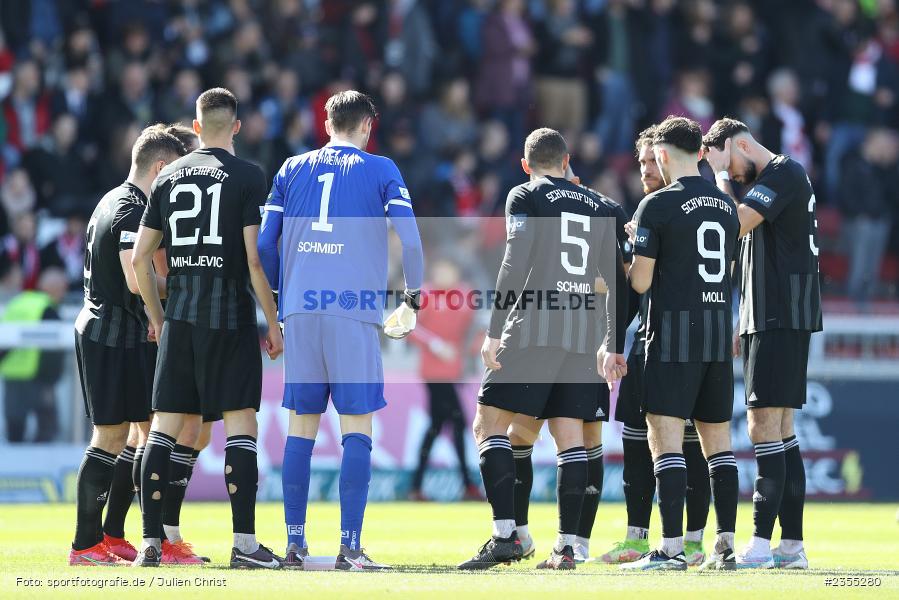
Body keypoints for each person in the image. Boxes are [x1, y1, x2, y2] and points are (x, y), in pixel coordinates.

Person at [258, 90, 424, 570]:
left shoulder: (291, 168)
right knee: (357, 427)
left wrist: (282, 297)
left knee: (301, 429)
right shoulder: (381, 169)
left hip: (301, 310)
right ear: (368, 126)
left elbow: (267, 243)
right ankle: (349, 548)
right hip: (353, 311)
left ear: (326, 122)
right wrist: (413, 297)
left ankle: (294, 544)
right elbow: (409, 238)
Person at [458, 128, 627, 571]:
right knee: (563, 438)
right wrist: (612, 341)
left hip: (533, 328)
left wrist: (494, 330)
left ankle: (506, 534)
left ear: (525, 164)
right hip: (584, 338)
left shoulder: (526, 195)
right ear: (568, 161)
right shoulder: (604, 206)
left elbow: (514, 263)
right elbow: (619, 280)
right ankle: (567, 546)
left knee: (488, 425)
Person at [131, 87, 283, 569]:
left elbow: (139, 259)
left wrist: (160, 320)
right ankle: (244, 545)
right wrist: (273, 323)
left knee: (164, 430)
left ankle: (151, 544)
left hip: (181, 319)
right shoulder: (247, 176)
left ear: (195, 128)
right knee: (241, 427)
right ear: (235, 126)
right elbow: (254, 261)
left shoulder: (168, 177)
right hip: (230, 319)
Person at [621, 116, 740, 571]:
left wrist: (628, 256)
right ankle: (725, 546)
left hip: (671, 338)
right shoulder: (727, 207)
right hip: (715, 337)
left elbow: (641, 281)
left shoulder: (658, 205)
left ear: (664, 155)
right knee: (719, 447)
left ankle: (670, 549)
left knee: (666, 445)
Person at [704, 117, 822, 570]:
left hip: (780, 314)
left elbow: (735, 223)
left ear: (741, 145)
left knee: (762, 426)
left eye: (729, 164)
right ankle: (790, 547)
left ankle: (759, 544)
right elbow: (753, 250)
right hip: (767, 314)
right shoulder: (774, 180)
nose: (731, 176)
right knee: (782, 431)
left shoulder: (784, 174)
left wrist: (717, 178)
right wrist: (742, 316)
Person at [69, 128, 186, 566]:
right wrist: (181, 283)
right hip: (110, 333)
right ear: (159, 169)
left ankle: (113, 533)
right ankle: (84, 544)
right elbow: (135, 279)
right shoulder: (130, 208)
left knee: (140, 430)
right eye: (171, 175)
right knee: (113, 435)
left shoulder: (111, 199)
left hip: (118, 332)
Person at [505, 163, 630, 564]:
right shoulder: (603, 208)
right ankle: (540, 537)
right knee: (522, 435)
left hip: (579, 343)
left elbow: (624, 278)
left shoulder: (596, 208)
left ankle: (573, 543)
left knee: (582, 439)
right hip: (579, 342)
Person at [600, 125, 712, 566]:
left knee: (689, 443)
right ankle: (636, 537)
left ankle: (693, 540)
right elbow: (631, 297)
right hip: (647, 341)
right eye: (642, 162)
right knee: (633, 438)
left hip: (679, 342)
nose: (646, 169)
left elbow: (641, 281)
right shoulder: (647, 214)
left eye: (652, 160)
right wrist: (614, 344)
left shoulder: (670, 211)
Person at [407, 258, 480, 502]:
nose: (442, 273)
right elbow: (409, 327)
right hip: (433, 372)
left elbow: (474, 331)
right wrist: (435, 344)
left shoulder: (465, 295)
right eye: (439, 268)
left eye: (446, 268)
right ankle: (467, 486)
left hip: (454, 371)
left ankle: (417, 486)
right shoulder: (425, 294)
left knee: (437, 426)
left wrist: (473, 351)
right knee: (456, 423)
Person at [1, 268, 67, 443]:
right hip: (38, 378)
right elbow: (54, 351)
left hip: (12, 375)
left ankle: (17, 468)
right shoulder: (47, 309)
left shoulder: (17, 303)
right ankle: (41, 469)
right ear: (55, 289)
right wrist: (51, 380)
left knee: (15, 430)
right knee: (47, 428)